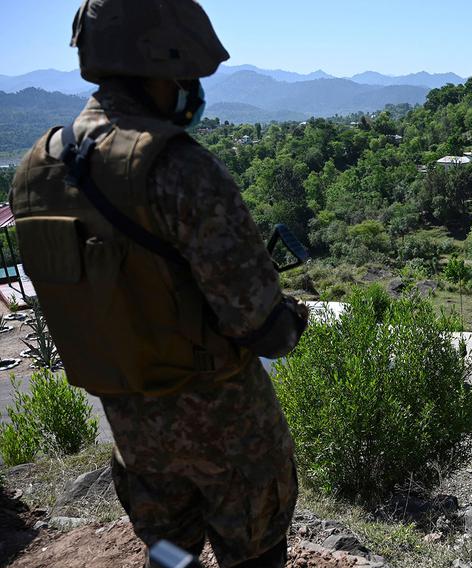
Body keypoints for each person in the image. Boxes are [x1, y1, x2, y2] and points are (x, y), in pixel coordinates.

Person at [10, 2, 307, 566]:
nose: (190, 90)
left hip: (133, 431)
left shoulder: (34, 171)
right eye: (184, 77)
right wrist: (290, 318)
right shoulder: (178, 167)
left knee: (171, 553)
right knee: (256, 554)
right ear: (158, 65)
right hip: (229, 432)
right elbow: (262, 328)